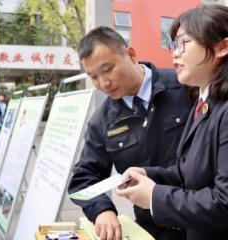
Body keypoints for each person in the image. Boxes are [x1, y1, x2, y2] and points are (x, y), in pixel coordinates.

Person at [67, 26, 193, 240]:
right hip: (152, 230)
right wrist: (101, 210)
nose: (103, 83)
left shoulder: (185, 86)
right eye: (94, 77)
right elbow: (84, 176)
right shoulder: (102, 121)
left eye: (107, 69)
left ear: (131, 55)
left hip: (203, 221)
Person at [116, 4, 228, 240]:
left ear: (222, 47)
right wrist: (148, 174)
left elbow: (224, 203)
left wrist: (155, 196)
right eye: (172, 44)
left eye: (183, 43)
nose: (174, 53)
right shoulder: (204, 101)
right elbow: (189, 172)